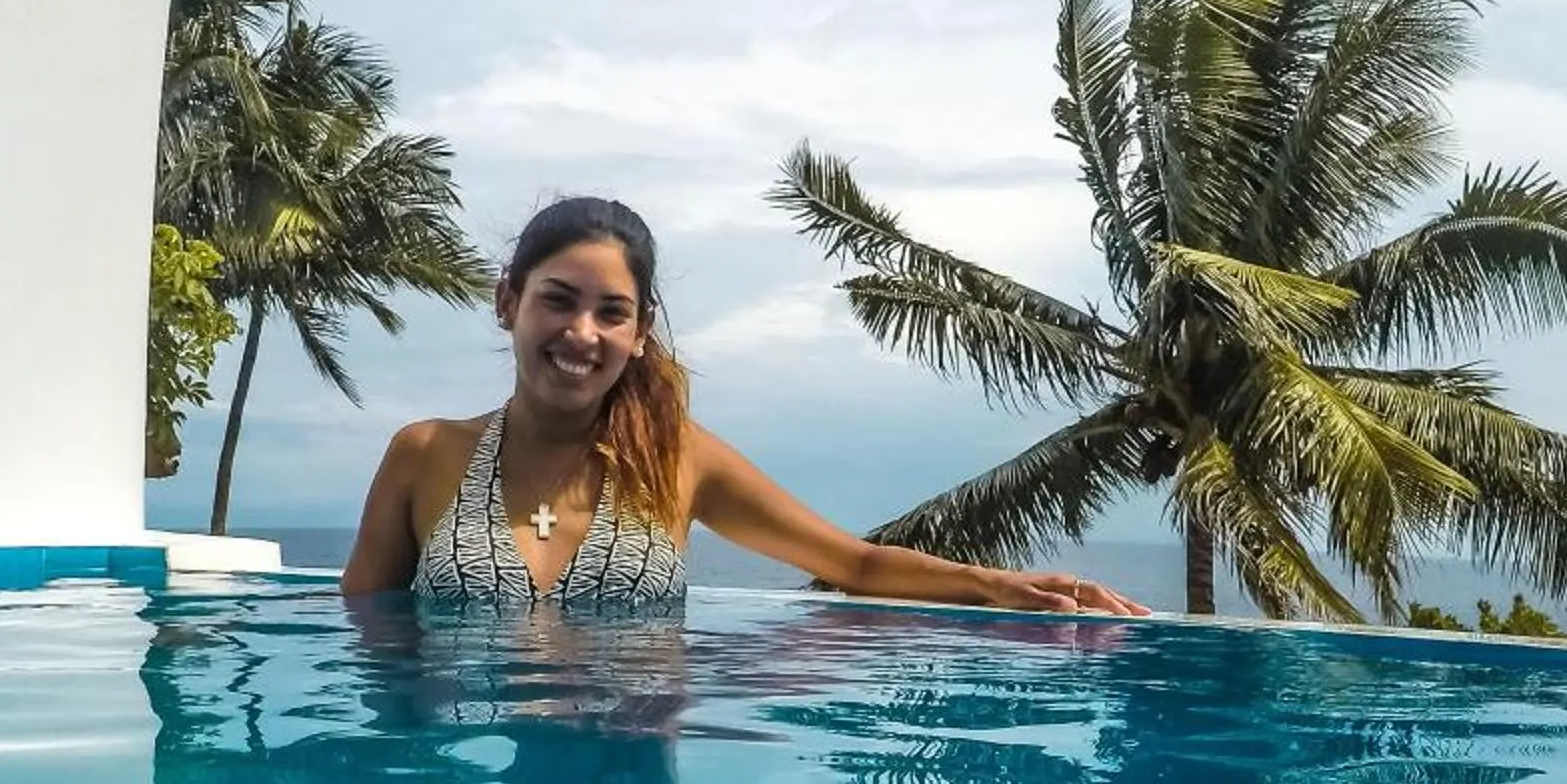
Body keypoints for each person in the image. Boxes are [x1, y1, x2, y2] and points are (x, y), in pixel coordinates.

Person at [337, 196, 1148, 616]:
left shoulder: (675, 460)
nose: (581, 333)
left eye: (612, 312)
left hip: (626, 782)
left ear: (640, 334)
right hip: (474, 782)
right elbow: (365, 637)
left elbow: (853, 565)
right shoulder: (425, 455)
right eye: (558, 299)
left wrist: (1000, 587)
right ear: (508, 301)